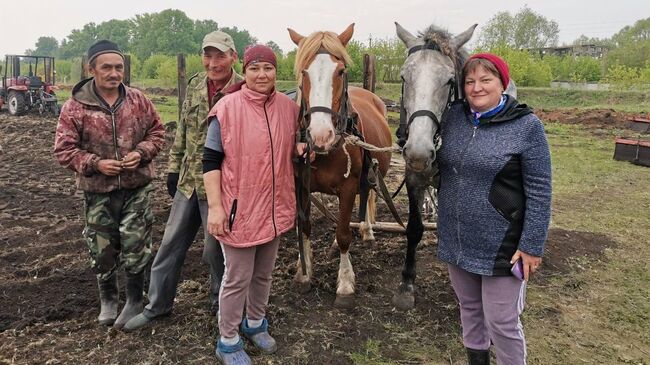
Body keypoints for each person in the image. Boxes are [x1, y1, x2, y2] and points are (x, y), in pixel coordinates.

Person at [436, 53, 552, 365]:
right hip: (457, 238)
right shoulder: (453, 118)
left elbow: (540, 191)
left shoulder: (526, 126)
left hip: (503, 245)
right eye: (470, 81)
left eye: (486, 80)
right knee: (470, 309)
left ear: (503, 83)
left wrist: (531, 246)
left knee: (502, 322)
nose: (476, 87)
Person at [123, 30, 243, 332]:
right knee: (169, 245)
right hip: (189, 182)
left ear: (233, 56)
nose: (213, 62)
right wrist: (174, 168)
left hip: (221, 187)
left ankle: (221, 306)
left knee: (215, 252)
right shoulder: (195, 86)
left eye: (220, 55)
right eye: (208, 55)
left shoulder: (243, 89)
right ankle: (158, 306)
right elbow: (184, 133)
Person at [53, 40, 165, 329]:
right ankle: (109, 298)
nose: (114, 73)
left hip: (136, 186)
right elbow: (64, 149)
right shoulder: (75, 107)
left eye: (119, 67)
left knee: (135, 243)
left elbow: (157, 133)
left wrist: (140, 154)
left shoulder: (138, 100)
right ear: (91, 69)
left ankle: (135, 300)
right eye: (107, 67)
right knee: (102, 248)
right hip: (98, 192)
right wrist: (95, 164)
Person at [203, 44, 301, 365]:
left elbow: (288, 145)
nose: (262, 75)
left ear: (276, 72)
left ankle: (256, 322)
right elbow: (211, 161)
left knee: (264, 274)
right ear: (244, 71)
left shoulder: (289, 108)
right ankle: (228, 339)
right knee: (237, 278)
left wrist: (299, 148)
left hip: (274, 209)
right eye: (255, 68)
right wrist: (216, 207)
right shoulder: (226, 108)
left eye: (268, 68)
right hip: (239, 211)